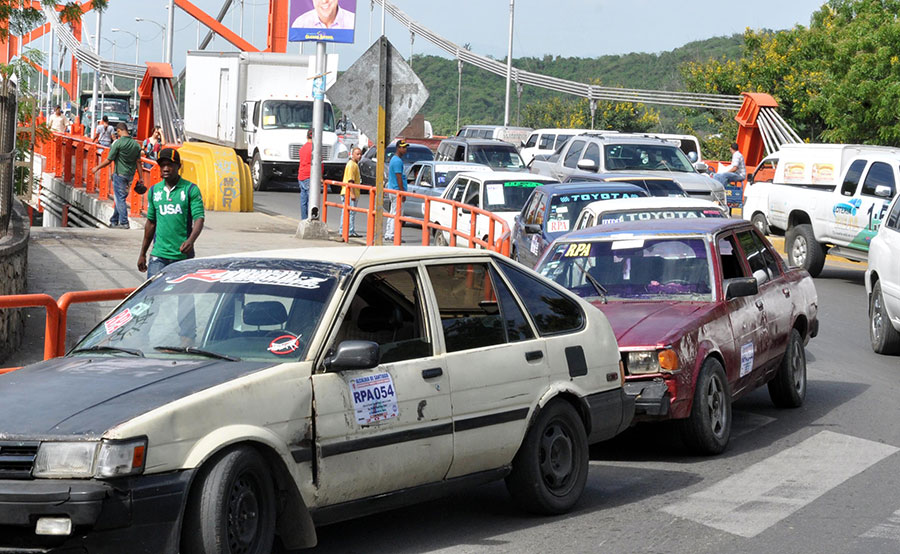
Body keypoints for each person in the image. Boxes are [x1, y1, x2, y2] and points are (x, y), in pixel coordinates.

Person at [138, 148, 205, 278]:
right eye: (162, 165)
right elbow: (151, 223)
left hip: (182, 256)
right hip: (158, 256)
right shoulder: (154, 191)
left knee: (184, 297)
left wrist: (191, 241)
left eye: (170, 165)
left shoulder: (190, 189)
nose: (166, 169)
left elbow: (199, 219)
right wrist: (142, 253)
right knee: (153, 296)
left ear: (179, 166)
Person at [92, 123, 145, 229]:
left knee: (120, 199)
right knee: (120, 198)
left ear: (120, 130)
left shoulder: (118, 143)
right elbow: (138, 162)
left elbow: (109, 159)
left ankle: (124, 222)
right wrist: (141, 177)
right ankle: (114, 220)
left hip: (119, 175)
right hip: (130, 175)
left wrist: (97, 167)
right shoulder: (135, 145)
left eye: (118, 132)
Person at [384, 140, 408, 242]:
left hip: (392, 189)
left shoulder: (394, 159)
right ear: (398, 148)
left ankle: (389, 233)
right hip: (396, 190)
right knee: (397, 213)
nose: (405, 149)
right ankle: (392, 234)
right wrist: (402, 192)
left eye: (406, 147)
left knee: (393, 212)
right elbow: (399, 178)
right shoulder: (397, 161)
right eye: (403, 147)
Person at [341, 147, 362, 238]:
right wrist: (352, 193)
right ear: (352, 154)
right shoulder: (351, 165)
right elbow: (350, 181)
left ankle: (345, 230)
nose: (359, 156)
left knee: (347, 212)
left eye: (360, 154)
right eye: (357, 154)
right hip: (349, 193)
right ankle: (349, 230)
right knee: (350, 213)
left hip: (349, 192)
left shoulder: (354, 164)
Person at [298, 129, 313, 220]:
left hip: (301, 175)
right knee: (311, 200)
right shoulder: (314, 148)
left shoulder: (302, 148)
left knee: (303, 200)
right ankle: (310, 219)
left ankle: (304, 219)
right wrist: (321, 177)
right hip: (309, 176)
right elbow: (319, 164)